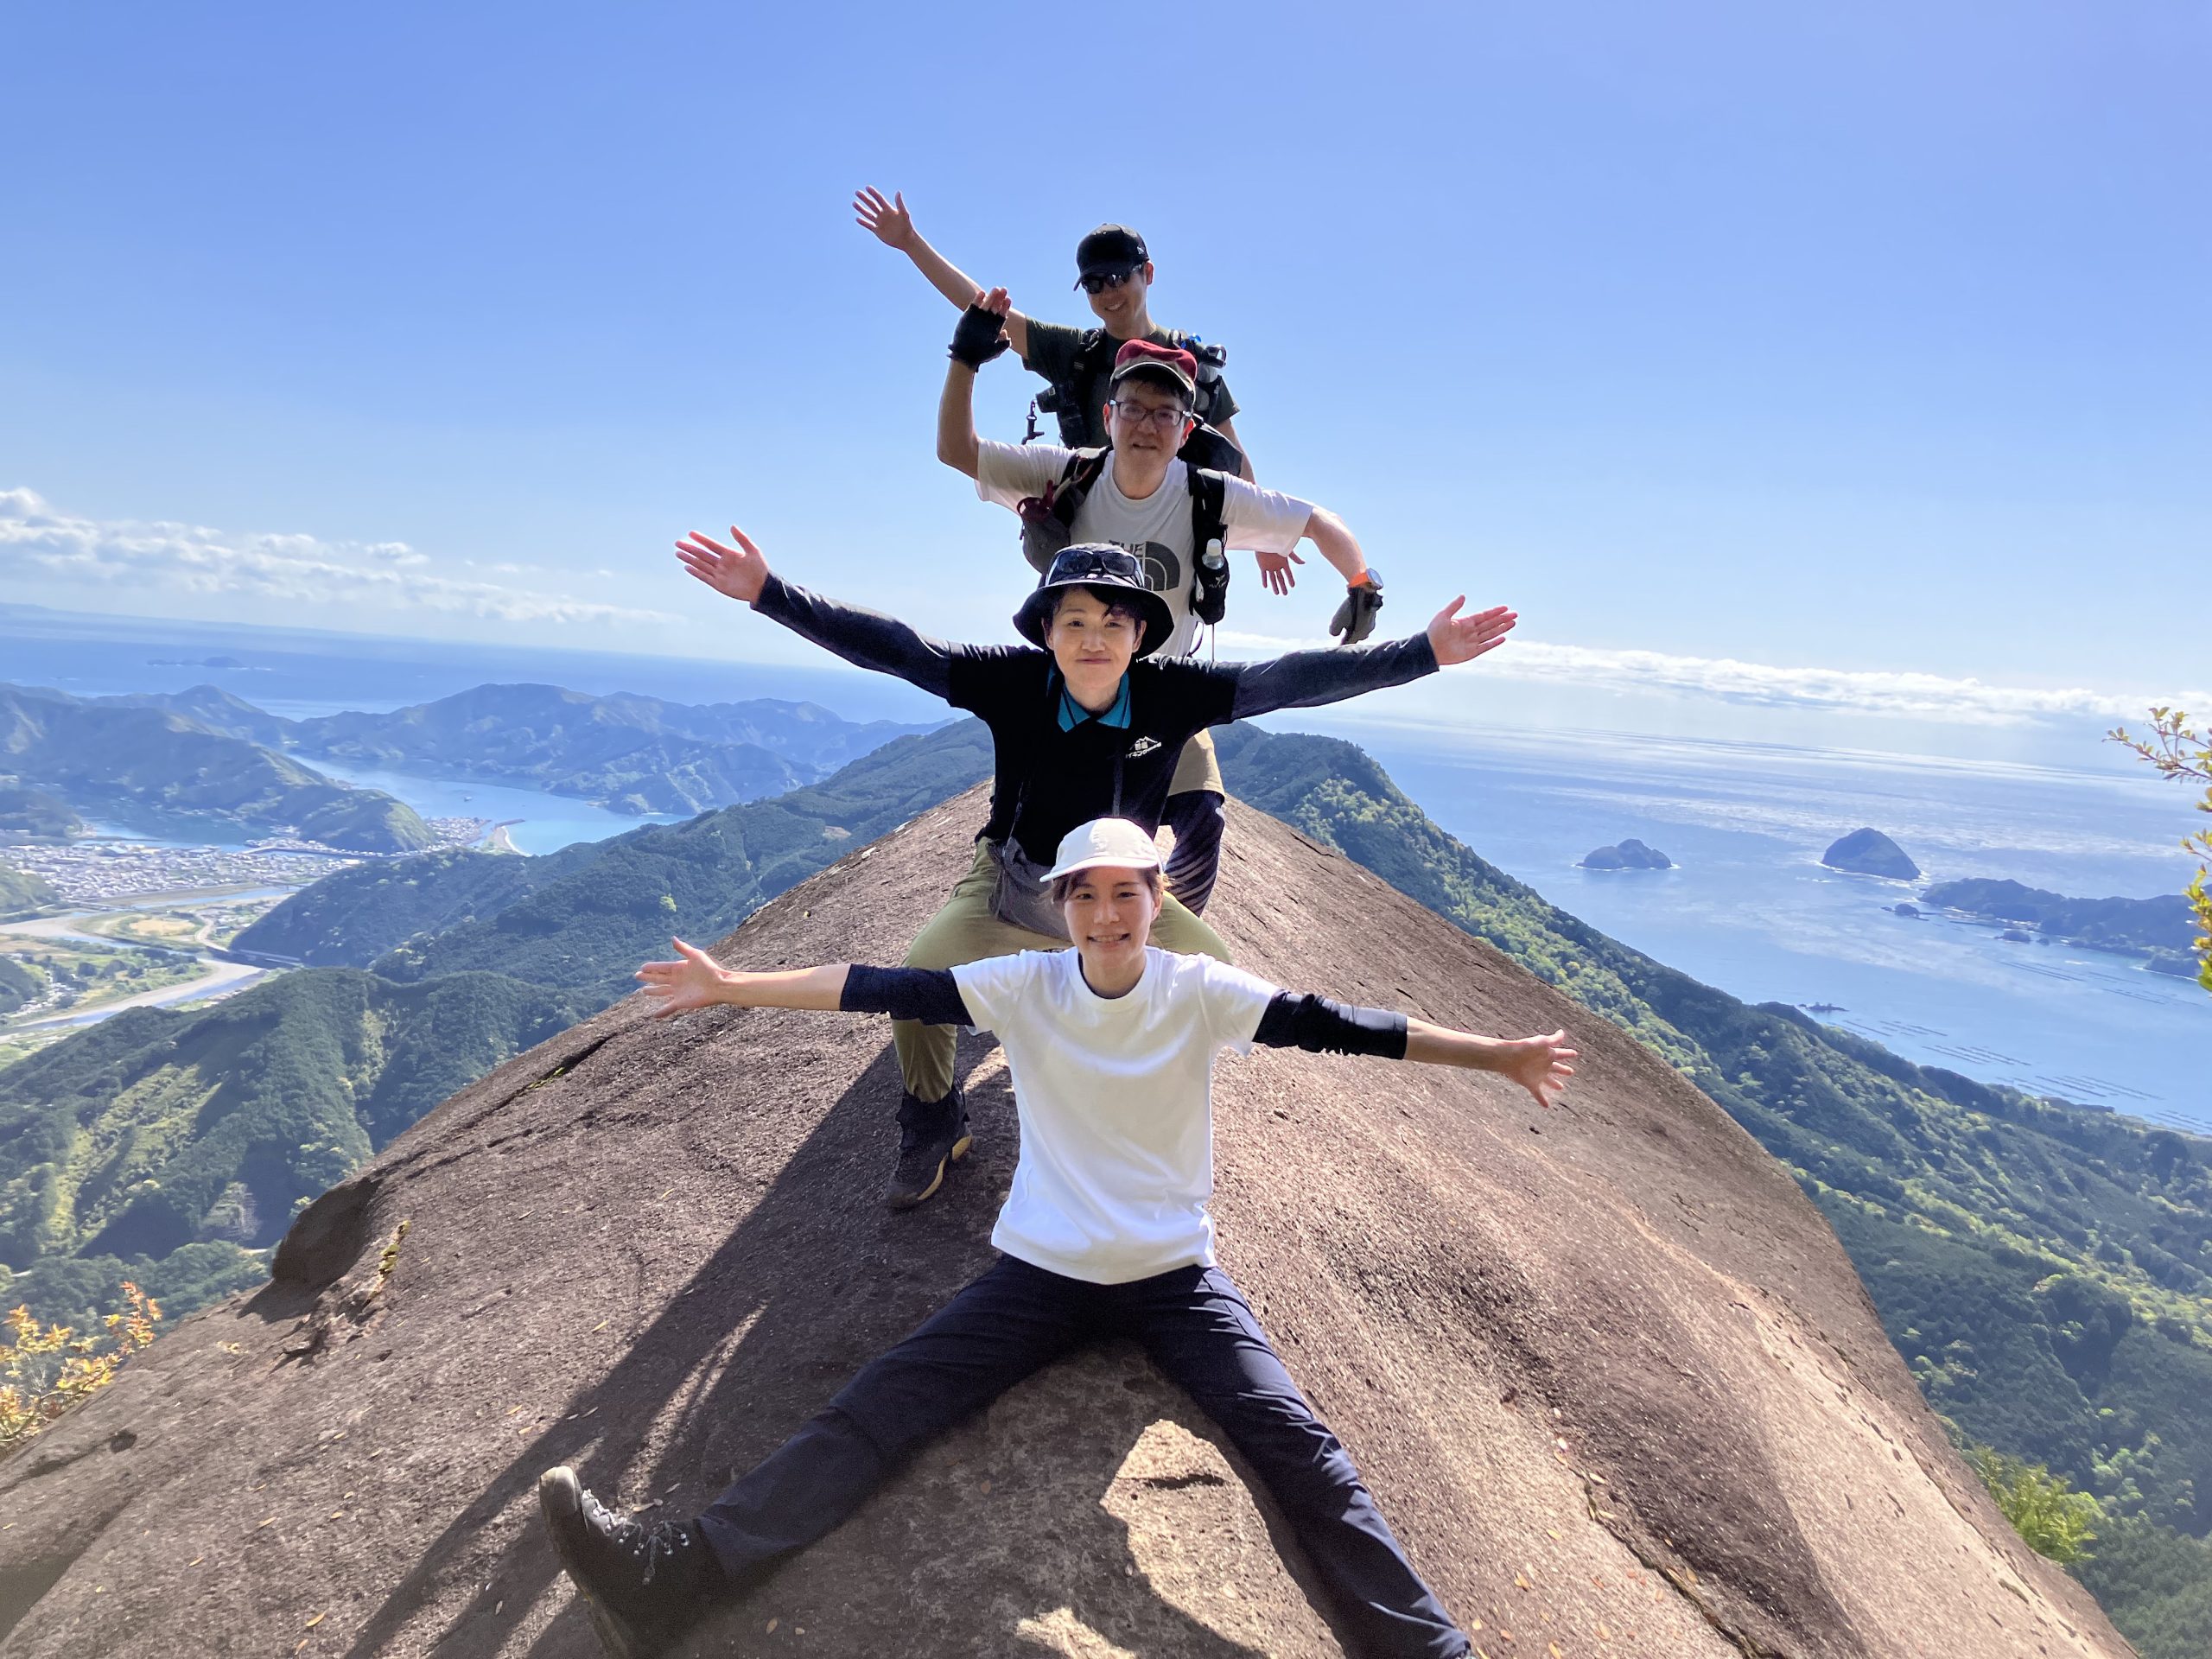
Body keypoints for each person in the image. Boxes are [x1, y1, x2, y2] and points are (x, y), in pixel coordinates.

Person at [540, 815, 1578, 1659]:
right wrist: (730, 986)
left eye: (1127, 891)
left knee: (1303, 1452)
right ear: (1061, 905)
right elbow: (879, 988)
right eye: (1086, 894)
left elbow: (1337, 1024)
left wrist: (1496, 1055)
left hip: (1174, 1278)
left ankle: (1431, 1650)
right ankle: (674, 1577)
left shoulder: (1197, 993)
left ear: (1157, 901)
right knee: (879, 1406)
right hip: (1042, 1274)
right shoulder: (1028, 987)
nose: (1107, 912)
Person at [671, 529, 1516, 1211]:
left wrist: (1423, 653)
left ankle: (1125, 1097)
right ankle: (932, 1116)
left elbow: (1292, 679)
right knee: (921, 979)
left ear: (1140, 636)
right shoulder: (1014, 684)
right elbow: (899, 650)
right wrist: (770, 592)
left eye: (1114, 622)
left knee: (1212, 975)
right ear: (1046, 631)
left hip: (1118, 894)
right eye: (1073, 620)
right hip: (1013, 882)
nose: (1093, 638)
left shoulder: (1170, 695)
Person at [943, 287, 1390, 915]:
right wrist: (964, 360)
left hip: (1163, 690)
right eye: (1134, 408)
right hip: (1075, 679)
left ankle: (1152, 944)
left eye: (1165, 413)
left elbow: (1317, 520)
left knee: (1202, 821)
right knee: (1035, 818)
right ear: (1109, 416)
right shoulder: (1069, 473)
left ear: (1185, 430)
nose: (1147, 425)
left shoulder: (1211, 496)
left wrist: (1362, 583)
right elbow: (957, 452)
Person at [854, 188, 1255, 477]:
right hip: (1095, 538)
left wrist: (1266, 544)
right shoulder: (1075, 353)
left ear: (1147, 274)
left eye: (1118, 278)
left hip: (1176, 541)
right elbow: (985, 309)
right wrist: (911, 243)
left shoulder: (1191, 362)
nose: (1108, 293)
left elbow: (1234, 459)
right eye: (1093, 284)